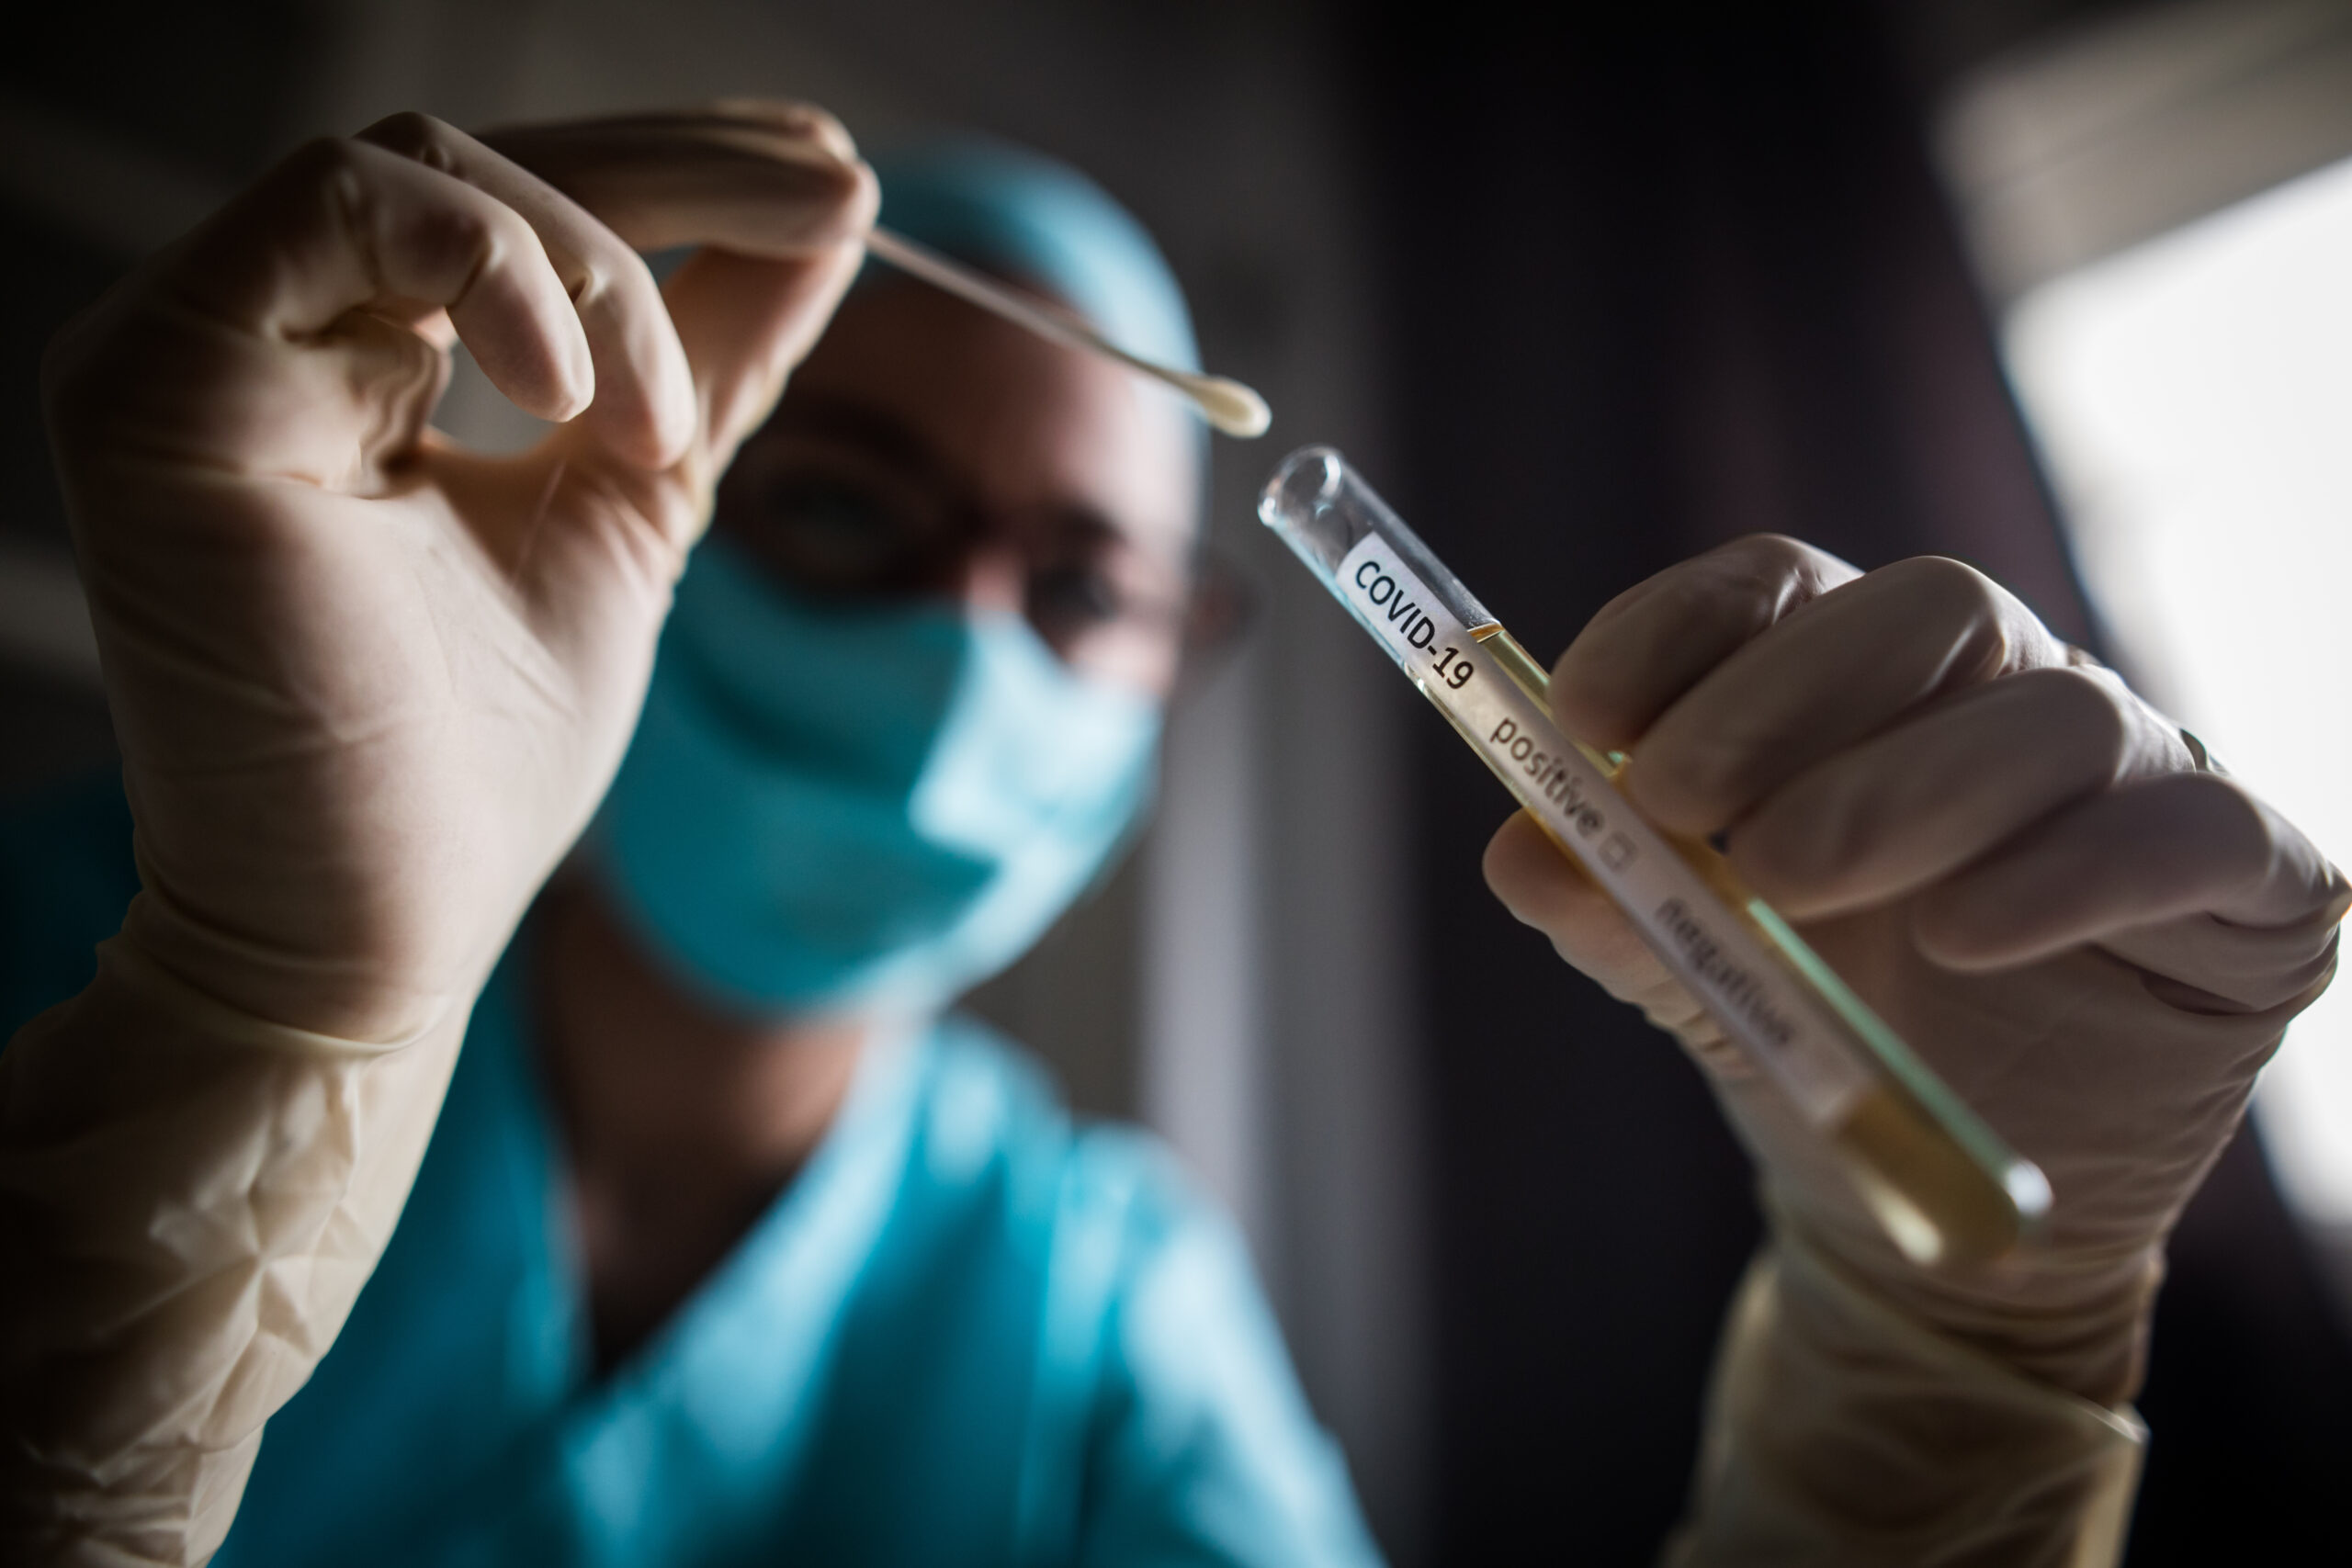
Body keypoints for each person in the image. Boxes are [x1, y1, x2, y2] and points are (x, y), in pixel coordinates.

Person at [0, 101, 2341, 1568]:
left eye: (1083, 581)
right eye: (845, 507)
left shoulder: (1090, 1305)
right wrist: (269, 999)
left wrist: (1946, 1371)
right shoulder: (129, 964)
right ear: (650, 509)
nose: (964, 652)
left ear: (1167, 666)